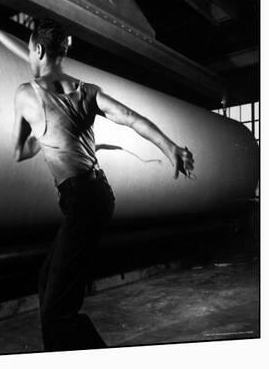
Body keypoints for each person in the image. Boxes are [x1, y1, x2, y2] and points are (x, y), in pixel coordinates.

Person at [12, 19, 195, 352]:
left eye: (28, 48)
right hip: (97, 195)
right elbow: (130, 117)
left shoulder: (26, 93)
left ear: (38, 49)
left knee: (57, 313)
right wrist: (171, 148)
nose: (28, 54)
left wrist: (43, 136)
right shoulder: (87, 91)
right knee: (47, 281)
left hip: (81, 200)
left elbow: (19, 151)